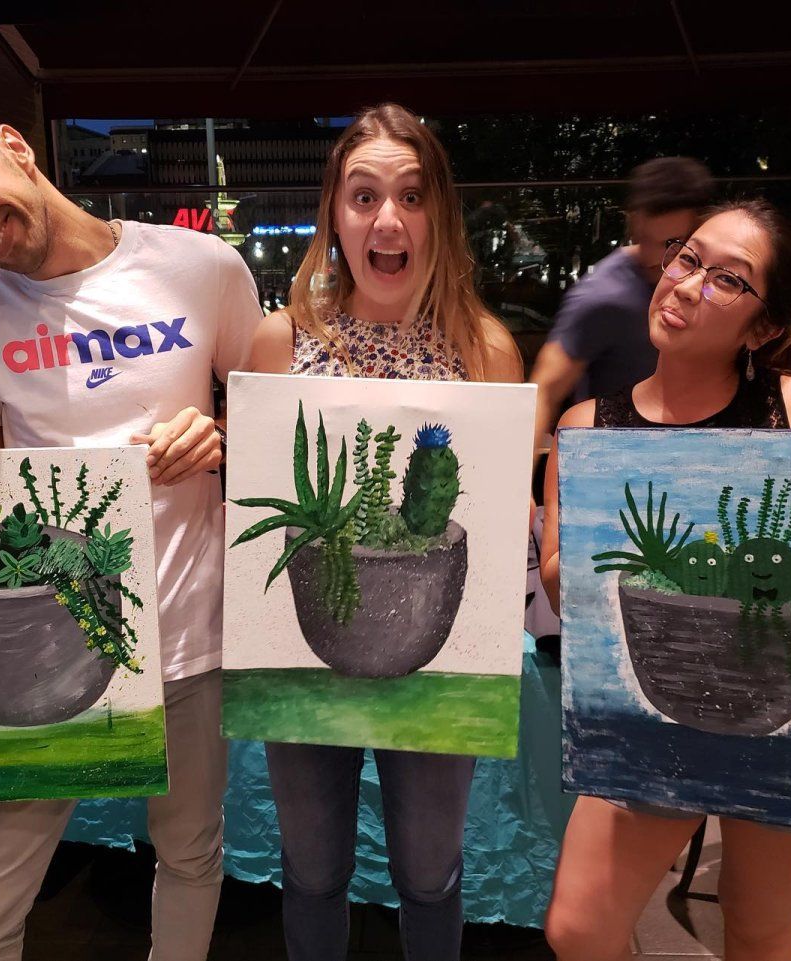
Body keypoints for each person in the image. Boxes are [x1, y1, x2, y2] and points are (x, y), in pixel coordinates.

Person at [0, 93, 262, 961]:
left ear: (13, 145)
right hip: (40, 639)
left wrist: (219, 436)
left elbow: (269, 430)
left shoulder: (201, 266)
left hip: (188, 633)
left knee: (190, 853)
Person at [248, 102, 523, 961]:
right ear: (335, 214)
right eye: (364, 196)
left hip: (434, 640)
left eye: (410, 195)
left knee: (430, 871)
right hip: (306, 641)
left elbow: (498, 511)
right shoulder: (281, 340)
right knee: (312, 867)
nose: (388, 219)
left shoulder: (485, 349)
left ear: (440, 211)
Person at [539, 198, 791, 961]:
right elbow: (563, 589)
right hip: (653, 708)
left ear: (763, 327)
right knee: (578, 928)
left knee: (758, 923)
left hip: (781, 705)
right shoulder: (586, 427)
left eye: (727, 279)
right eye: (688, 258)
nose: (687, 283)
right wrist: (578, 557)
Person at [529, 156, 714, 447]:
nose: (654, 258)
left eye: (672, 245)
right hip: (614, 455)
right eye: (645, 239)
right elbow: (545, 391)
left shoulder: (713, 290)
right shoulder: (602, 296)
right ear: (633, 222)